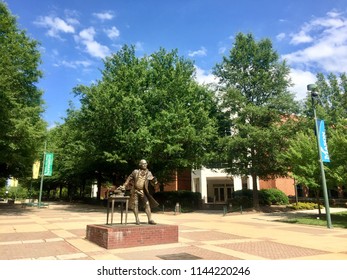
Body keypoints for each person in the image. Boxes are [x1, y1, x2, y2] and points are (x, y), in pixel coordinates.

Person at [118, 159, 159, 225]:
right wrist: (124, 186)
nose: (145, 165)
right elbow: (129, 179)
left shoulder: (149, 173)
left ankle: (150, 219)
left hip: (143, 191)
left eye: (146, 163)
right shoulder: (135, 172)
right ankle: (137, 219)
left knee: (147, 204)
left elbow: (153, 182)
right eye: (143, 163)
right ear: (140, 165)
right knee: (135, 205)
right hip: (135, 190)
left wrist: (155, 181)